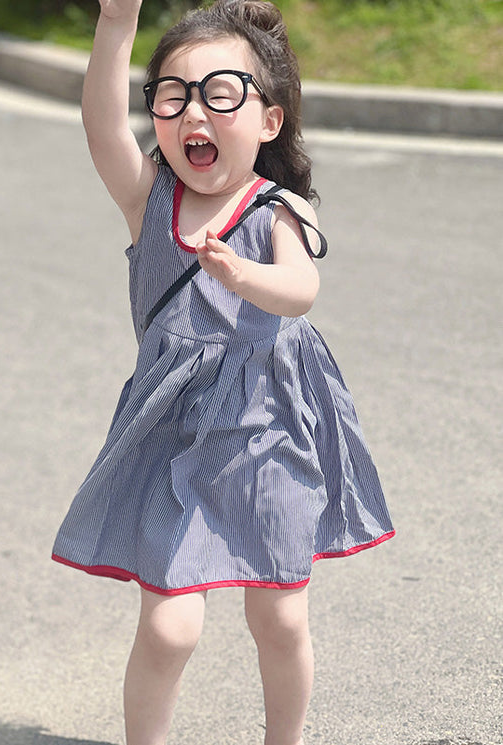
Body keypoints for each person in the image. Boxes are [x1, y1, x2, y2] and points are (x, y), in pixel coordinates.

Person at [52, 1, 395, 743]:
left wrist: (242, 274)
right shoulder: (150, 200)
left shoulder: (278, 210)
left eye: (220, 93)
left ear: (268, 120)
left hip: (270, 434)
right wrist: (115, 24)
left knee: (279, 616)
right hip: (175, 438)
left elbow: (301, 289)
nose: (193, 113)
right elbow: (101, 128)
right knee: (169, 627)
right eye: (173, 96)